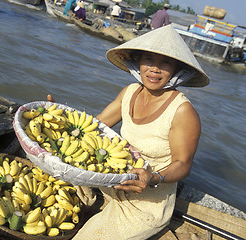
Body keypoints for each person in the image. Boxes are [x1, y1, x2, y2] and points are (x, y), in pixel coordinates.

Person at [47, 25, 209, 239]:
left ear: (177, 70)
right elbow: (93, 128)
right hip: (111, 183)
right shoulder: (129, 92)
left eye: (165, 63)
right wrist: (62, 122)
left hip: (145, 204)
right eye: (149, 60)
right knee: (50, 183)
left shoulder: (182, 111)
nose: (154, 70)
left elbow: (183, 164)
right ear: (138, 62)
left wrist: (153, 177)